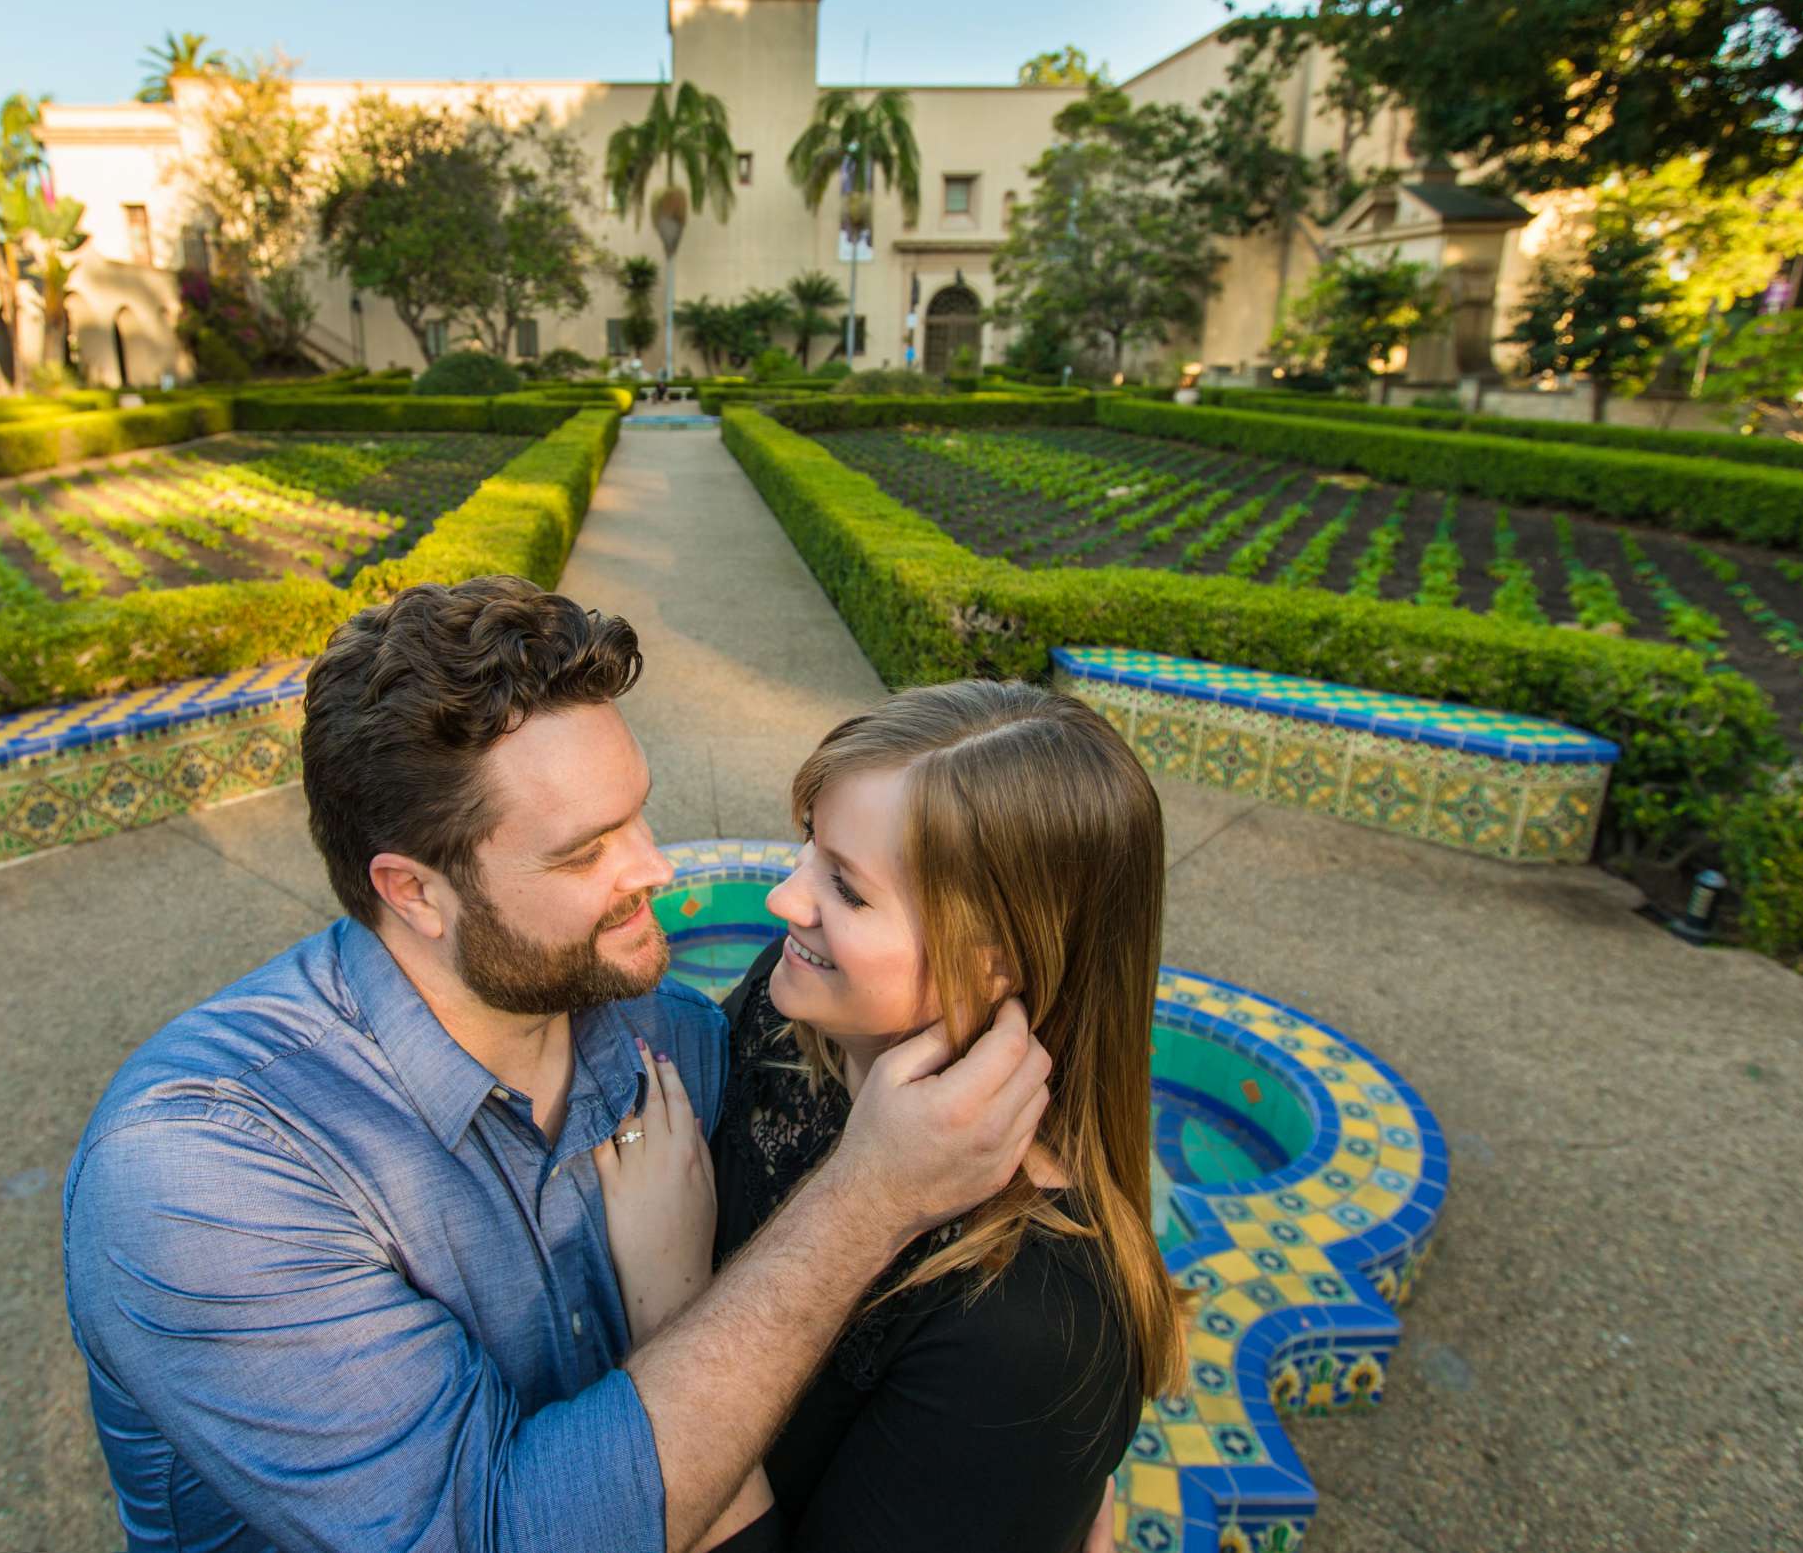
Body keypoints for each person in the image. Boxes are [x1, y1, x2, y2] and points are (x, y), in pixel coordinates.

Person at [61, 577, 1053, 1553]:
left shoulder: (669, 1037)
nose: (655, 868)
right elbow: (487, 1530)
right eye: (585, 853)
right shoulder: (203, 1177)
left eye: (637, 813)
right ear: (413, 891)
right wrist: (868, 1200)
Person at [596, 681, 1189, 1552]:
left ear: (997, 961)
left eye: (848, 888)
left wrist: (667, 1296)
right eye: (810, 848)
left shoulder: (1037, 1331)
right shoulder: (795, 1004)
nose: (785, 903)